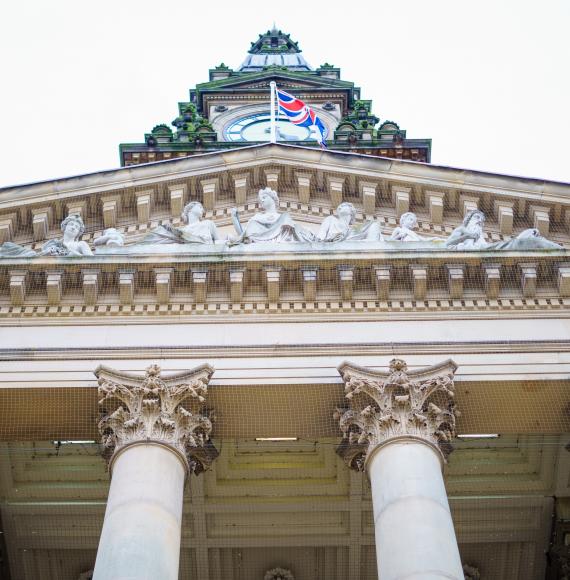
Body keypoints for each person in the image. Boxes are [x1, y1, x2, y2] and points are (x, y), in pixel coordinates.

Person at [230, 188, 315, 244]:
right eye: (260, 199)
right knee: (252, 224)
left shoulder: (282, 218)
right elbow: (244, 234)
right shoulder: (257, 217)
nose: (262, 200)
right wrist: (235, 219)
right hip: (260, 238)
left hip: (281, 238)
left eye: (264, 197)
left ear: (272, 198)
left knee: (286, 217)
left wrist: (306, 231)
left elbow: (294, 228)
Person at [141, 201, 220, 245]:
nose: (202, 210)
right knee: (158, 231)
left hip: (204, 255)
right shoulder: (182, 231)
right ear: (190, 209)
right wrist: (168, 230)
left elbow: (218, 241)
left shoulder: (208, 223)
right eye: (200, 207)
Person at [318, 202, 383, 242]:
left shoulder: (353, 230)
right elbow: (320, 237)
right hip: (334, 242)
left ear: (351, 212)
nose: (340, 207)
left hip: (349, 239)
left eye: (343, 206)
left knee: (375, 223)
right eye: (340, 207)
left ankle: (371, 245)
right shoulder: (330, 219)